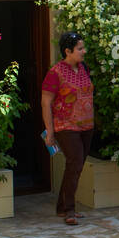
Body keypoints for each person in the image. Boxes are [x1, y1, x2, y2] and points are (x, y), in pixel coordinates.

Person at [42, 32, 94, 226]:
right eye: (80, 49)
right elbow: (45, 103)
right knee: (75, 161)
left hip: (86, 125)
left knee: (76, 165)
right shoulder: (55, 73)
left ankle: (62, 206)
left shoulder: (84, 68)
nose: (84, 52)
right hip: (66, 125)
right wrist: (50, 131)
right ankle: (69, 209)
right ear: (67, 51)